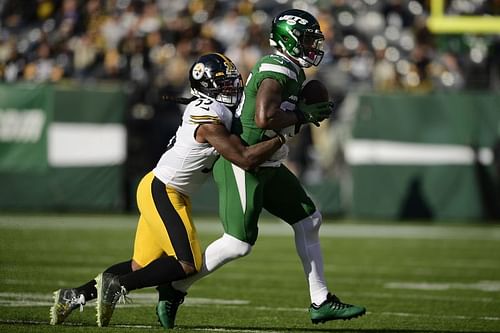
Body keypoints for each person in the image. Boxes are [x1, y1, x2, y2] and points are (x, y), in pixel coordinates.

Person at [159, 8, 366, 328]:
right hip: (244, 162)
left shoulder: (290, 68)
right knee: (238, 244)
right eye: (308, 39)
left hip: (268, 162)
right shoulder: (276, 68)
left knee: (309, 220)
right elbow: (264, 118)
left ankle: (321, 300)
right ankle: (174, 287)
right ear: (289, 39)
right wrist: (303, 116)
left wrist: (302, 112)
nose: (314, 46)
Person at [49, 52, 287, 327]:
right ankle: (118, 287)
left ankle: (73, 295)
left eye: (233, 81)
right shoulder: (208, 117)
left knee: (141, 265)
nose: (232, 88)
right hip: (163, 190)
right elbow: (244, 158)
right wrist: (281, 136)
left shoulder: (213, 109)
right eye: (223, 84)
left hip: (169, 190)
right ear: (206, 87)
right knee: (187, 264)